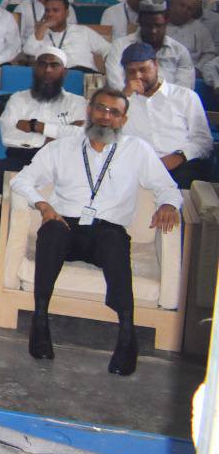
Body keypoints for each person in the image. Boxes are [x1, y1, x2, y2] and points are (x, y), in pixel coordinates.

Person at [10, 87, 181, 376]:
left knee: (115, 242)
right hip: (67, 225)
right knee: (51, 232)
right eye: (101, 108)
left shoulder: (137, 150)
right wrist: (43, 204)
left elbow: (167, 187)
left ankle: (127, 334)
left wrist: (168, 204)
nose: (106, 116)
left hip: (107, 231)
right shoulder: (62, 147)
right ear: (89, 110)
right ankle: (40, 321)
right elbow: (21, 180)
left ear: (123, 120)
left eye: (114, 112)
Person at [122, 43, 213, 188]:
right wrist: (124, 98)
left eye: (143, 69)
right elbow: (106, 136)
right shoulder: (121, 103)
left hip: (180, 166)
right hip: (136, 168)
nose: (137, 76)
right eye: (131, 72)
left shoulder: (185, 97)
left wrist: (180, 156)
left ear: (156, 65)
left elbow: (204, 142)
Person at [0, 47, 86, 184]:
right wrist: (53, 138)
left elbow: (80, 135)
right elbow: (8, 136)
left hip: (63, 162)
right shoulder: (18, 99)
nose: (47, 70)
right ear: (34, 68)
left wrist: (36, 127)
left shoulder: (77, 102)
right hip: (22, 158)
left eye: (54, 65)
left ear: (64, 71)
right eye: (42, 64)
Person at [107, 0, 195, 91]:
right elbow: (116, 83)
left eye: (158, 25)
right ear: (140, 22)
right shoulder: (120, 46)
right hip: (131, 98)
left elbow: (184, 90)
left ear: (166, 22)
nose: (153, 31)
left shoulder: (180, 51)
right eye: (148, 26)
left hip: (170, 100)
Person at [20, 0, 107, 72]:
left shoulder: (82, 31)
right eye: (47, 10)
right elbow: (28, 50)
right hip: (55, 77)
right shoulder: (40, 34)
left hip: (84, 75)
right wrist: (43, 27)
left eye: (55, 10)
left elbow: (107, 49)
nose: (50, 14)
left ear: (67, 13)